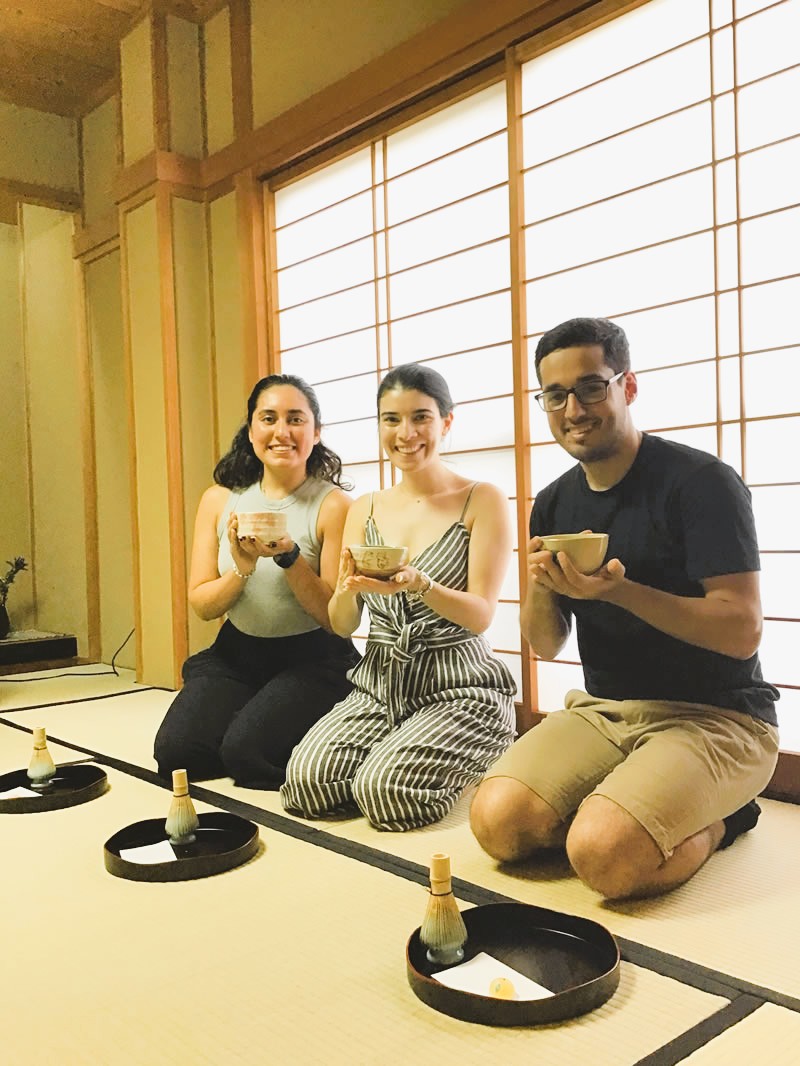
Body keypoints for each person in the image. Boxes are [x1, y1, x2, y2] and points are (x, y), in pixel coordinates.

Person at [470, 317, 780, 899]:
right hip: (606, 711)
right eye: (554, 395)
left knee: (603, 856)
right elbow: (546, 644)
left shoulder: (701, 483)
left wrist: (620, 591)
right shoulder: (554, 503)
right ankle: (629, 799)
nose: (573, 410)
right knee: (498, 823)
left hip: (717, 717)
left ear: (627, 386)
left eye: (591, 387)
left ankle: (726, 817)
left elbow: (742, 631)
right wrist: (542, 583)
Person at [280, 362, 517, 830]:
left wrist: (421, 585)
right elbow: (343, 624)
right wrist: (348, 587)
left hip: (458, 685)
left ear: (446, 422)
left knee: (383, 793)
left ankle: (484, 743)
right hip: (380, 682)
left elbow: (481, 616)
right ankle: (397, 749)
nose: (405, 433)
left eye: (420, 417)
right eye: (391, 419)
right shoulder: (365, 507)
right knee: (307, 784)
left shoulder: (482, 499)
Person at [154, 374, 360, 789]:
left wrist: (289, 557)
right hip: (236, 653)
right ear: (251, 431)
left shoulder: (334, 505)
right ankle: (258, 715)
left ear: (316, 433)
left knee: (246, 754)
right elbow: (203, 605)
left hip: (314, 657)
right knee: (176, 753)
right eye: (269, 419)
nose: (282, 432)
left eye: (296, 419)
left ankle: (296, 724)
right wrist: (242, 568)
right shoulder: (219, 500)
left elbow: (333, 619)